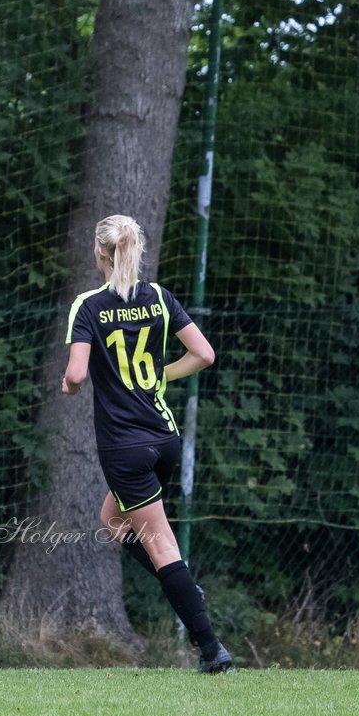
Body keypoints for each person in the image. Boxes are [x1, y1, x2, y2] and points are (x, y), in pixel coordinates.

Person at [62, 214, 232, 674]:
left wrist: (70, 385)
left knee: (160, 546)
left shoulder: (89, 305)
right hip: (164, 437)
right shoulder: (158, 297)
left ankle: (211, 649)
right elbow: (205, 354)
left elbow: (76, 375)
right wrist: (163, 374)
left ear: (100, 253)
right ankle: (180, 583)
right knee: (111, 519)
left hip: (125, 446)